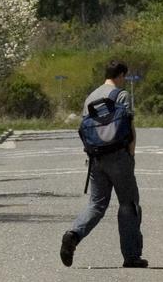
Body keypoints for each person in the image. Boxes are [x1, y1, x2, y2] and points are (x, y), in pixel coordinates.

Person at [60, 60, 147, 268]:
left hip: (96, 159)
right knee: (128, 204)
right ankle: (131, 256)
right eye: (124, 77)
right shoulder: (121, 95)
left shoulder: (91, 97)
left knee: (96, 204)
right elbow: (128, 127)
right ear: (121, 75)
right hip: (119, 157)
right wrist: (131, 155)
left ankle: (73, 235)